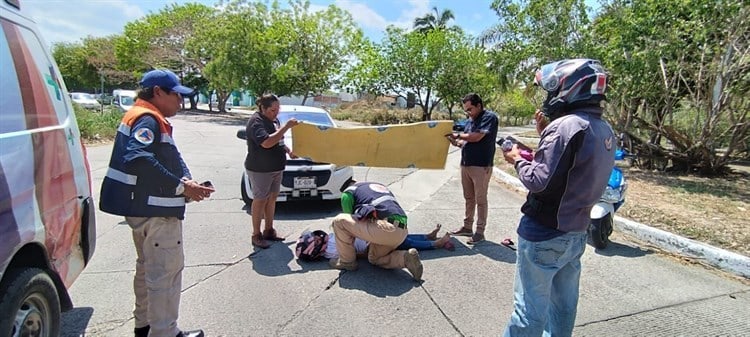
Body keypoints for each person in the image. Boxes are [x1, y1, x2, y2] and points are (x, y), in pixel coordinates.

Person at [501, 59, 615, 337]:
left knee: (528, 310)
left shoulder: (565, 126)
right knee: (563, 307)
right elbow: (570, 168)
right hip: (576, 232)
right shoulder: (603, 129)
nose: (549, 98)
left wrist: (516, 159)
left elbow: (538, 182)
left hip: (544, 231)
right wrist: (543, 137)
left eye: (552, 91)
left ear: (570, 89)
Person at [99, 69, 214, 337]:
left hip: (141, 209)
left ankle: (145, 326)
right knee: (165, 275)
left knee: (147, 270)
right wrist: (182, 186)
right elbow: (139, 158)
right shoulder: (148, 119)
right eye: (176, 95)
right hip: (156, 212)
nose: (180, 101)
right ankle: (164, 332)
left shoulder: (142, 116)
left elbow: (163, 156)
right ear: (158, 92)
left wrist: (186, 179)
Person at [328, 181, 424, 281]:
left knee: (339, 221)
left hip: (385, 228)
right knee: (375, 258)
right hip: (402, 230)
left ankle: (347, 262)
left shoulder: (348, 192)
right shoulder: (379, 186)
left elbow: (350, 221)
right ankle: (405, 258)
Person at [244, 94, 300, 248]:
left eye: (277, 110)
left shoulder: (273, 120)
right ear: (262, 108)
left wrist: (288, 151)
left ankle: (269, 230)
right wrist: (287, 127)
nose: (276, 113)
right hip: (260, 169)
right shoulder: (256, 122)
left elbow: (278, 140)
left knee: (272, 199)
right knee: (260, 200)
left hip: (276, 167)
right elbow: (267, 142)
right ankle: (256, 234)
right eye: (272, 110)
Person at [446, 93, 499, 244]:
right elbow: (467, 142)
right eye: (466, 110)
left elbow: (476, 137)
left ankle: (480, 232)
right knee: (469, 198)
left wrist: (458, 136)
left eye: (470, 109)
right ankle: (467, 227)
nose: (468, 113)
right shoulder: (470, 121)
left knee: (481, 200)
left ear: (479, 106)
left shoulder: (489, 118)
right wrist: (455, 142)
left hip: (481, 166)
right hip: (466, 164)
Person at [322, 224, 455, 260]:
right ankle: (434, 244)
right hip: (370, 245)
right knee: (402, 241)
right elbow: (353, 255)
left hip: (368, 234)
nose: (317, 237)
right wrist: (368, 252)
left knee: (401, 235)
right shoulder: (330, 252)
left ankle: (427, 237)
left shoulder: (330, 236)